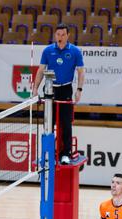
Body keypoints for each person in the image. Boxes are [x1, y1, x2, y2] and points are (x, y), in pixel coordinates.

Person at [32, 23, 86, 166]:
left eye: (63, 35)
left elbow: (81, 71)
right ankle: (48, 153)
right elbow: (41, 70)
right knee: (48, 124)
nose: (60, 37)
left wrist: (79, 90)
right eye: (58, 35)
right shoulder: (48, 51)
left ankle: (65, 154)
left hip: (66, 89)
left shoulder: (75, 51)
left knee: (66, 124)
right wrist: (35, 88)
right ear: (55, 35)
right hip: (50, 90)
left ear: (68, 35)